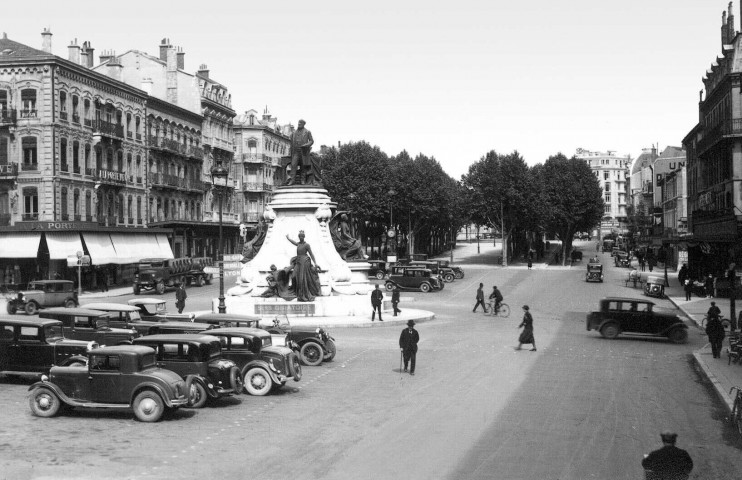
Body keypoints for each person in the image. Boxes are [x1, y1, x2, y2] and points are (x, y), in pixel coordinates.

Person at [286, 230, 322, 302]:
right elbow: (294, 242)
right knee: (293, 276)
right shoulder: (298, 244)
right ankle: (296, 291)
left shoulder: (307, 245)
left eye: (302, 236)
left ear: (304, 237)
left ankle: (302, 293)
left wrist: (315, 263)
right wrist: (288, 238)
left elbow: (311, 254)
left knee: (302, 278)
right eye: (300, 236)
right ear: (299, 237)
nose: (301, 237)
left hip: (304, 262)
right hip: (298, 261)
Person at [286, 119, 317, 186]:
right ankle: (292, 180)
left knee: (303, 166)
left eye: (300, 123)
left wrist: (306, 145)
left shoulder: (307, 132)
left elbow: (311, 141)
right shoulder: (294, 133)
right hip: (296, 152)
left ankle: (302, 180)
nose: (299, 124)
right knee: (293, 165)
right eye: (298, 123)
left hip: (303, 152)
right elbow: (290, 141)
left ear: (303, 124)